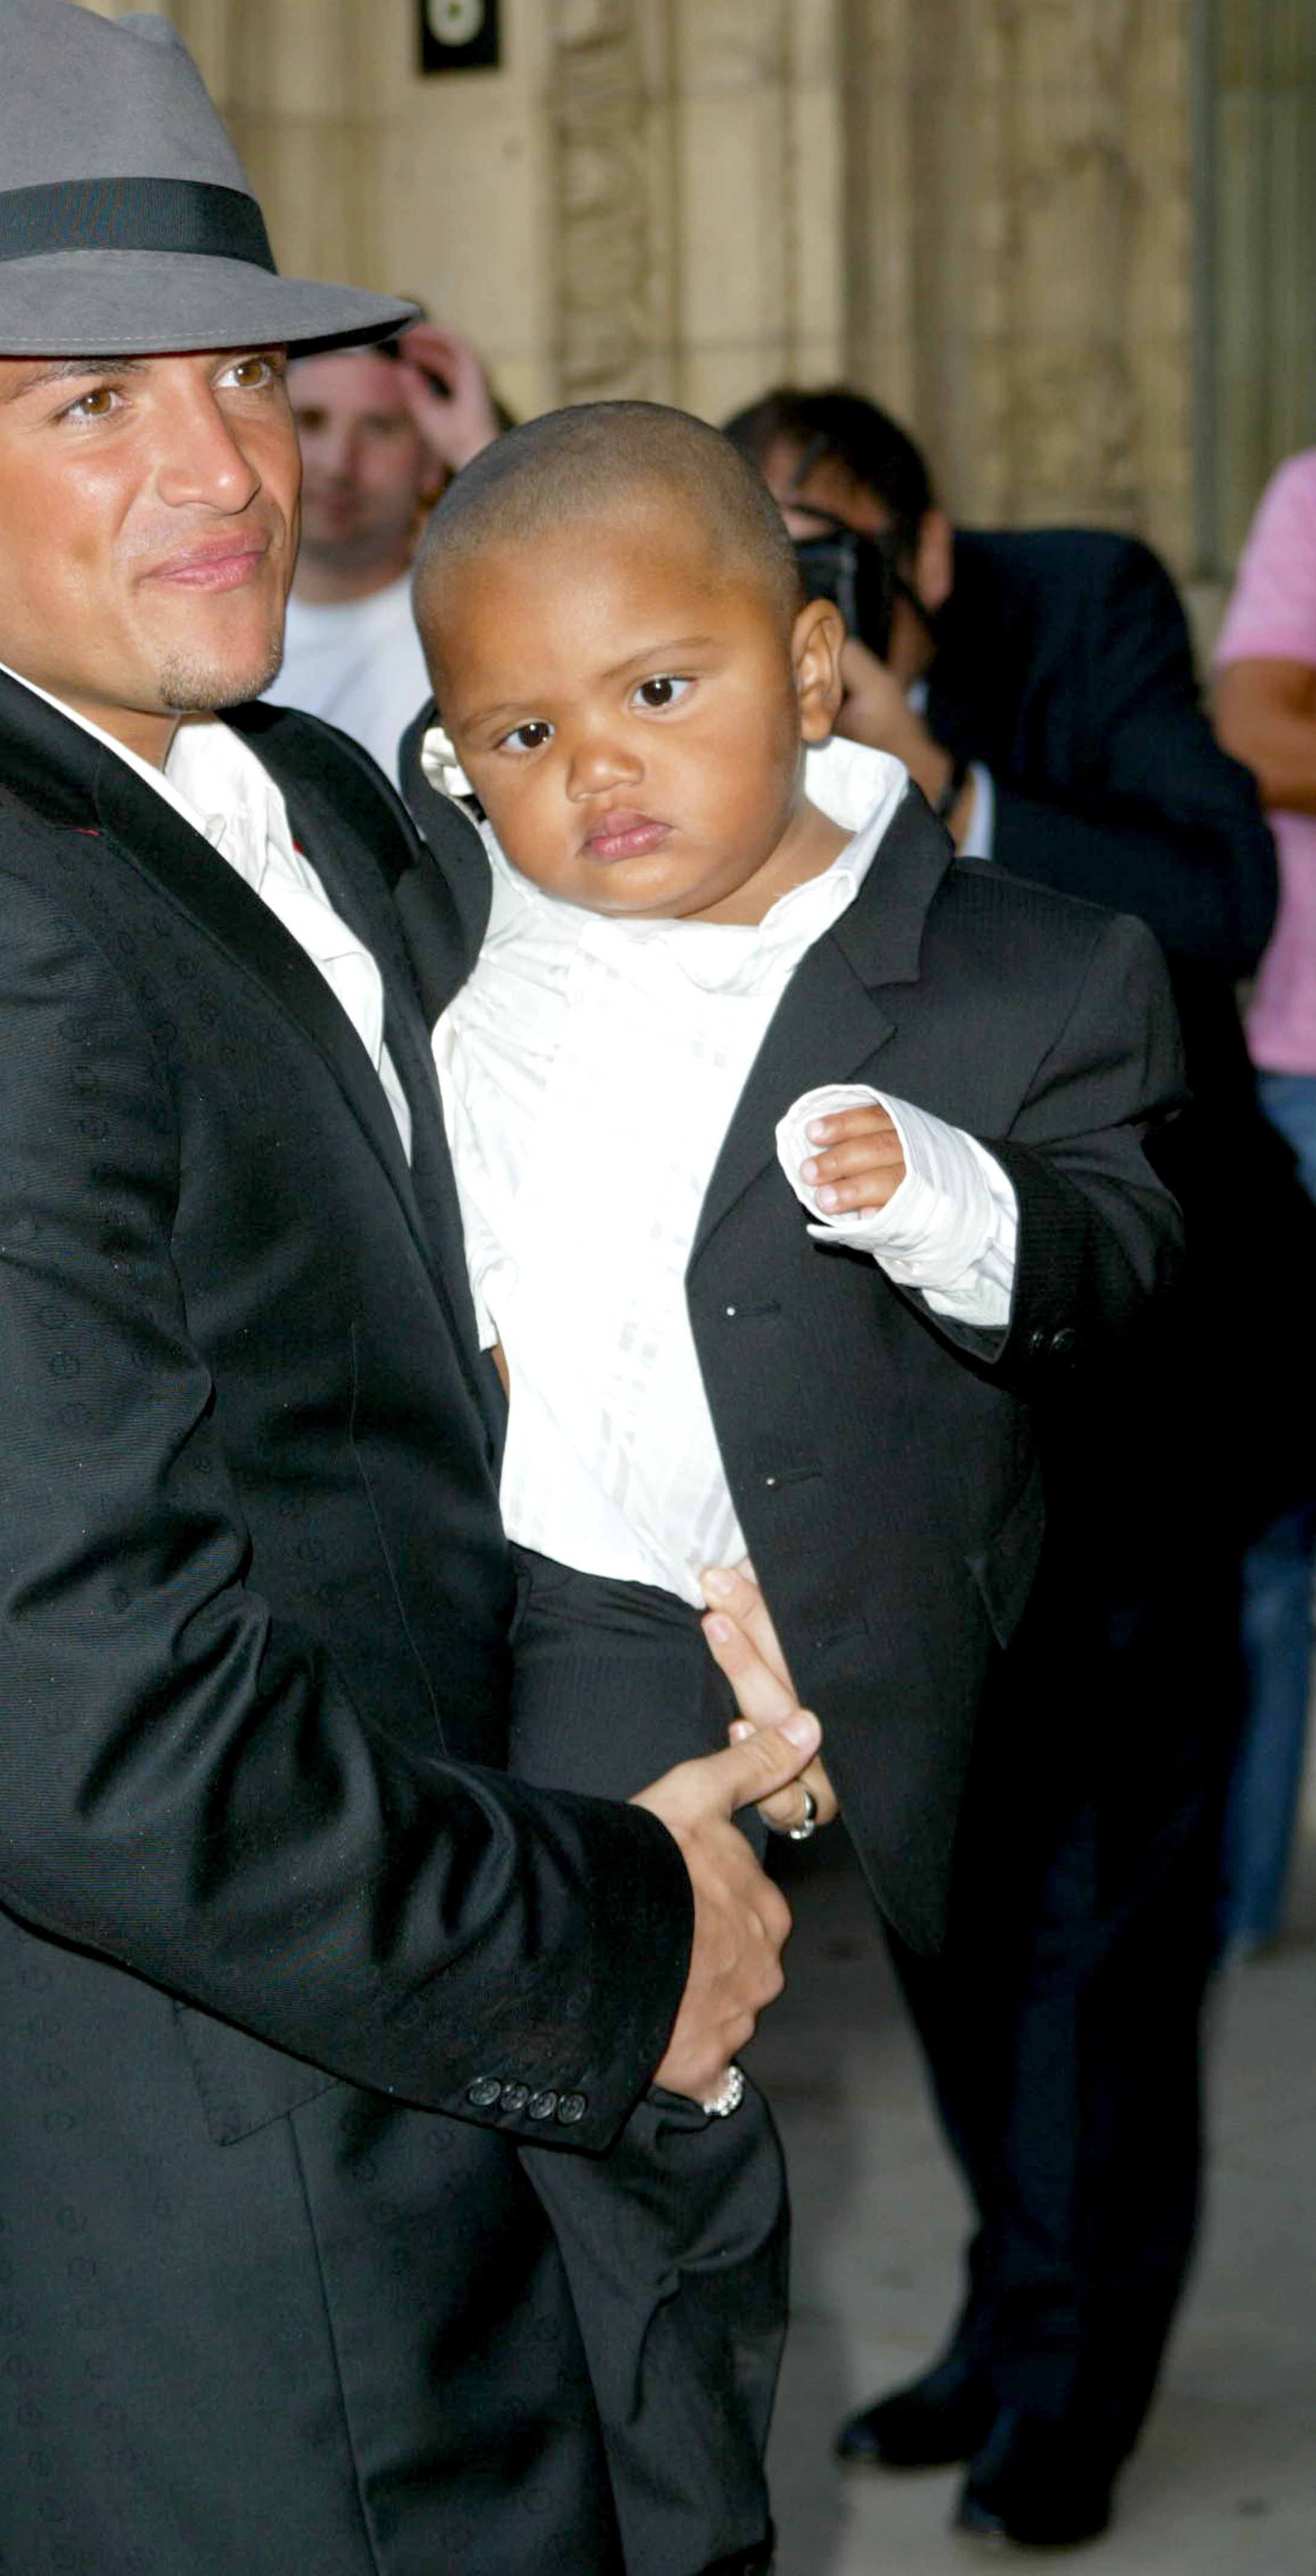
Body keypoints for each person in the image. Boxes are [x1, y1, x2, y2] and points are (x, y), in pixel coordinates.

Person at [0, 0, 824, 2576]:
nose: (213, 470)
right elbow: (115, 1758)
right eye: (81, 406)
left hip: (420, 2124)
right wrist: (625, 1930)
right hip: (225, 2259)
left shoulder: (267, 773)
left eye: (233, 374)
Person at [399, 401, 1185, 2571]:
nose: (600, 768)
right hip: (466, 1604)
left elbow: (1118, 1261)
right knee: (504, 2157)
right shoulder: (459, 943)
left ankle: (700, 2518)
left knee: (675, 2119)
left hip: (743, 1621)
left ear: (813, 665)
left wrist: (941, 1197)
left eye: (662, 688)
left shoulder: (1023, 966)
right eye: (526, 730)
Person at [720, 382, 1294, 2548]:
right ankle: (999, 2307)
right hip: (909, 1450)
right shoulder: (717, 710)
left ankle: (1074, 2383)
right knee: (955, 1917)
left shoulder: (1079, 617)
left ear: (924, 560)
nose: (795, 600)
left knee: (1104, 1942)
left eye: (829, 555)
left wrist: (933, 777)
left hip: (1141, 1399)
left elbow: (1209, 896)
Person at [1211, 445, 1316, 1952]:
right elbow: (1252, 730)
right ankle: (1225, 1911)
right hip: (1299, 1075)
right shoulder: (1305, 489)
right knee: (1266, 1533)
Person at [266, 322, 502, 772]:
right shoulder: (196, 625)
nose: (338, 464)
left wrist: (478, 451)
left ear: (433, 463)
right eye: (311, 421)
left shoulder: (474, 634)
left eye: (378, 428)